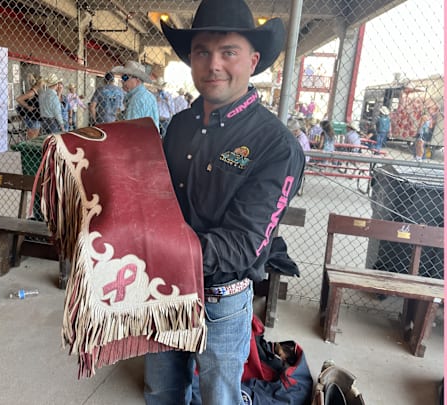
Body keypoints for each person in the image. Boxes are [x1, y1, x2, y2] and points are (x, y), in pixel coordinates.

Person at [145, 0, 305, 404]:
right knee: (161, 390)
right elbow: (154, 199)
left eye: (228, 52)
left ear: (253, 60)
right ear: (192, 60)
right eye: (202, 52)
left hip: (222, 299)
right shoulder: (179, 125)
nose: (213, 64)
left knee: (220, 396)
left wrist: (156, 250)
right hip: (164, 291)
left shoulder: (276, 145)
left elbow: (244, 243)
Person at [111, 60, 160, 130]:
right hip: (151, 138)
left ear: (137, 80)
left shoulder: (135, 100)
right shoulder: (150, 96)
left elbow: (130, 130)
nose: (122, 80)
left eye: (125, 77)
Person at [15, 76, 44, 140]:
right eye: (42, 82)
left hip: (36, 118)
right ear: (39, 83)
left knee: (34, 138)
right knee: (32, 139)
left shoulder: (35, 92)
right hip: (32, 118)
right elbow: (19, 99)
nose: (43, 84)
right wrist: (28, 107)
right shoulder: (32, 92)